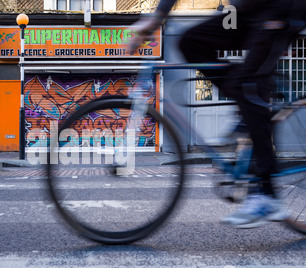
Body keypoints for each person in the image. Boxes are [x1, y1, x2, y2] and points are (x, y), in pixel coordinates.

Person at [128, 0, 306, 228]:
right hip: (245, 11)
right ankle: (247, 105)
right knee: (191, 42)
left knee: (247, 83)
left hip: (281, 8)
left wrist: (156, 17)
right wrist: (158, 15)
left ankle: (267, 197)